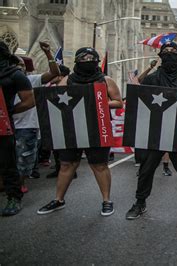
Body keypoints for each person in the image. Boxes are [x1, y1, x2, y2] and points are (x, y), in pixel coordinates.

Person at [36, 47, 123, 216]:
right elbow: (56, 99)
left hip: (98, 129)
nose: (87, 62)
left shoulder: (106, 80)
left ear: (96, 62)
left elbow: (118, 102)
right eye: (83, 60)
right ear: (77, 62)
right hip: (72, 129)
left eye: (91, 59)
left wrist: (96, 101)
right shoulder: (67, 80)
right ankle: (59, 199)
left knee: (99, 165)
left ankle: (106, 200)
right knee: (67, 164)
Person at [125, 42, 177, 220]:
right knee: (146, 170)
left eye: (173, 52)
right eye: (165, 52)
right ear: (160, 56)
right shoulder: (151, 79)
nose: (169, 54)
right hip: (155, 133)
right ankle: (140, 202)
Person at [12, 42, 60, 193]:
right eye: (16, 64)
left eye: (22, 65)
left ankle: (19, 185)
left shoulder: (32, 80)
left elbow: (54, 73)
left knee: (23, 160)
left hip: (27, 126)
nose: (19, 67)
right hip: (8, 125)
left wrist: (48, 54)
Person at [0, 40, 35, 216]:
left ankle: (14, 197)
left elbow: (29, 100)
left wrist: (8, 111)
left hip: (3, 126)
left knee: (7, 163)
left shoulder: (14, 75)